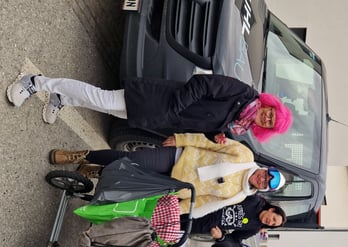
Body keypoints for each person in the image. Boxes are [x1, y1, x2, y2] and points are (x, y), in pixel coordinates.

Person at [6, 74, 292, 143]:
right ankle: (37, 82)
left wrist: (213, 135)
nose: (266, 117)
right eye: (271, 113)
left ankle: (63, 99)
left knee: (105, 108)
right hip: (159, 100)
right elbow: (202, 83)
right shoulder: (243, 94)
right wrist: (175, 108)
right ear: (270, 105)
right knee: (102, 99)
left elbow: (202, 122)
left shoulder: (238, 124)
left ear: (264, 129)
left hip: (161, 116)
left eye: (269, 122)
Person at [48, 133, 286, 217]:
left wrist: (177, 209)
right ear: (265, 169)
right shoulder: (244, 154)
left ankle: (95, 171)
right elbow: (208, 143)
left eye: (267, 184)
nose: (263, 179)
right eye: (267, 175)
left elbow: (204, 202)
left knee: (129, 179)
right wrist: (181, 139)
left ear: (264, 190)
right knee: (129, 160)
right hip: (178, 158)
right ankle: (80, 156)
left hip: (174, 185)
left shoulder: (239, 196)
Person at [180, 194, 287, 242]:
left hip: (202, 225)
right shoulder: (254, 200)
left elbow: (235, 239)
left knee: (173, 224)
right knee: (174, 209)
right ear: (272, 210)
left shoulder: (254, 228)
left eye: (273, 225)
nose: (270, 222)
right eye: (274, 219)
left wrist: (221, 237)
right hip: (202, 206)